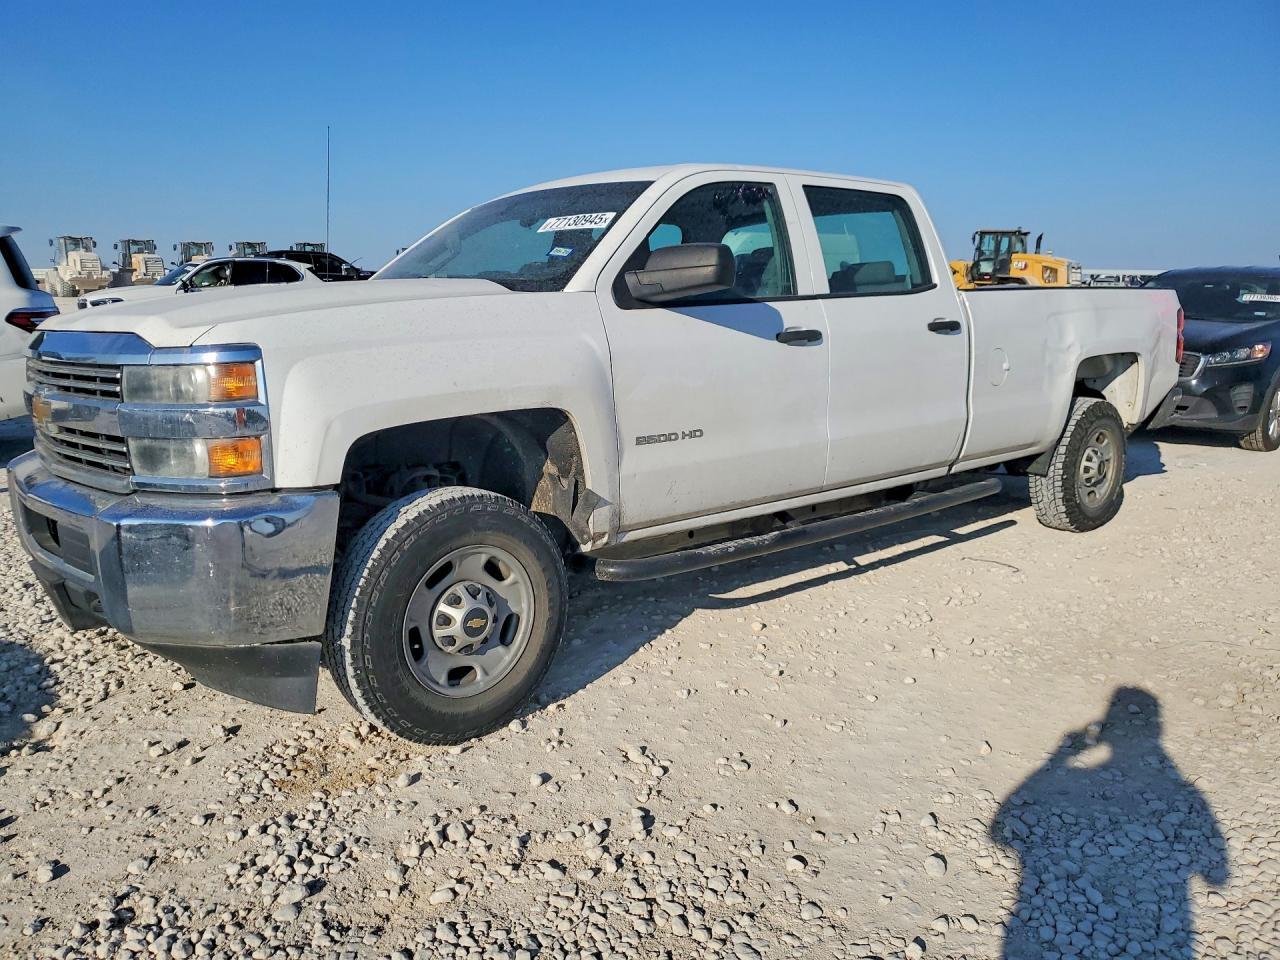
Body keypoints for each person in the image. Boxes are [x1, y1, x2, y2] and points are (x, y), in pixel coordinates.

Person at [992, 688, 1227, 959]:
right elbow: (1218, 875)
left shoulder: (1183, 791)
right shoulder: (1186, 793)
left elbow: (998, 832)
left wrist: (1058, 759)